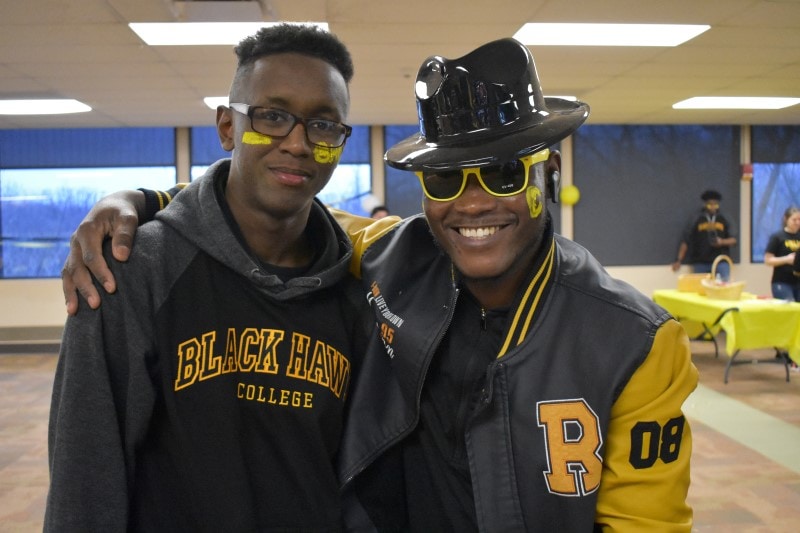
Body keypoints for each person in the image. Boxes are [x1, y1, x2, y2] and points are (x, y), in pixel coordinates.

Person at [62, 38, 699, 531]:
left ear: (546, 173)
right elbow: (267, 214)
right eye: (446, 180)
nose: (473, 204)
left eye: (504, 173)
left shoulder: (635, 342)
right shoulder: (387, 256)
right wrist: (140, 201)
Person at [46, 24, 372, 531]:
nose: (298, 143)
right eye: (272, 116)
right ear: (227, 127)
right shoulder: (132, 269)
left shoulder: (356, 284)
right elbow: (85, 474)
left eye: (324, 125)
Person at [671, 189, 737, 280]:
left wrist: (721, 242)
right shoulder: (696, 218)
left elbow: (733, 240)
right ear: (705, 204)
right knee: (700, 290)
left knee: (723, 289)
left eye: (716, 204)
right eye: (710, 204)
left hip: (721, 262)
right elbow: (685, 240)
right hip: (700, 262)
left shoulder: (725, 217)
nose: (713, 207)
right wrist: (678, 260)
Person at [764, 206, 800, 301]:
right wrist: (787, 259)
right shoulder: (778, 237)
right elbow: (768, 260)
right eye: (794, 220)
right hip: (782, 281)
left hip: (797, 280)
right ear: (786, 219)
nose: (797, 222)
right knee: (790, 309)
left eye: (799, 219)